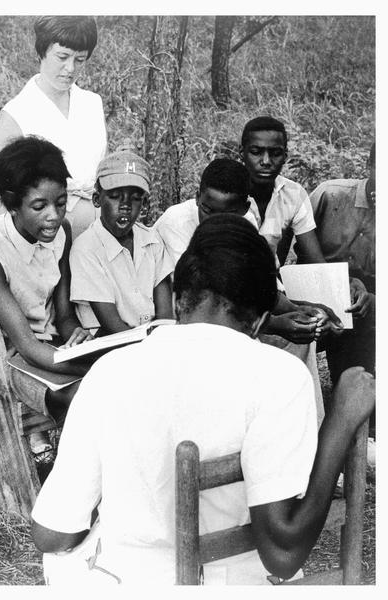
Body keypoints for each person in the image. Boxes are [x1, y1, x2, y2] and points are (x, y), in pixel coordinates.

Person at [30, 214, 374, 585]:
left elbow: (52, 534)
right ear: (260, 321)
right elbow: (283, 556)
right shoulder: (280, 375)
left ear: (177, 301)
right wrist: (338, 422)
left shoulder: (108, 371)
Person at [155, 158, 336, 425]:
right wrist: (273, 324)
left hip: (236, 315)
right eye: (207, 209)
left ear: (244, 208)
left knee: (299, 336)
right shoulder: (176, 223)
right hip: (193, 322)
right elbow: (208, 300)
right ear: (196, 197)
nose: (214, 220)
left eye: (226, 214)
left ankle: (305, 428)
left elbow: (260, 284)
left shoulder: (248, 220)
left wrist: (299, 310)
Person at [0, 136, 93, 456]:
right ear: (12, 202)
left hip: (51, 349)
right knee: (81, 395)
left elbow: (62, 315)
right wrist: (89, 367)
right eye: (39, 206)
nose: (54, 215)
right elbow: (25, 346)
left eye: (60, 202)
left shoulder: (62, 234)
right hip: (10, 357)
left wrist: (76, 336)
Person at [239, 115, 371, 328]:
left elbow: (315, 260)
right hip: (233, 292)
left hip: (272, 292)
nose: (265, 161)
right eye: (256, 152)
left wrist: (347, 286)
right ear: (242, 153)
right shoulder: (228, 193)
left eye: (275, 153)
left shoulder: (293, 194)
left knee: (331, 320)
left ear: (285, 156)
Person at [0, 16, 106, 239]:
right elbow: (1, 196)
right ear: (41, 52)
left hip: (95, 233)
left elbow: (102, 172)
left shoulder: (92, 103)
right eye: (62, 57)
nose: (70, 68)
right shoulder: (15, 115)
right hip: (46, 236)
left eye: (79, 59)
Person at [69, 149, 174, 335]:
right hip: (108, 342)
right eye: (115, 196)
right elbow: (112, 326)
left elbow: (165, 316)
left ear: (144, 204)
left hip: (152, 341)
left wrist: (159, 343)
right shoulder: (86, 249)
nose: (125, 206)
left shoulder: (153, 241)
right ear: (96, 199)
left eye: (135, 198)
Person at [304, 143, 375, 385]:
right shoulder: (329, 194)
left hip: (368, 298)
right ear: (369, 166)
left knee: (363, 319)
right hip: (317, 285)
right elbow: (296, 247)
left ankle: (354, 388)